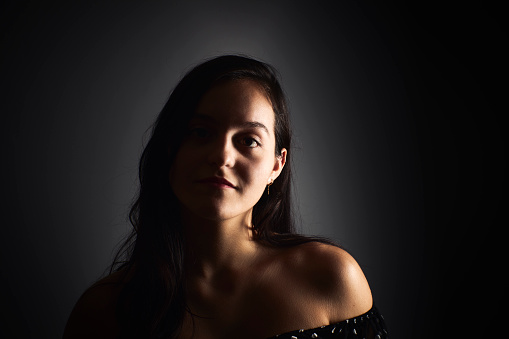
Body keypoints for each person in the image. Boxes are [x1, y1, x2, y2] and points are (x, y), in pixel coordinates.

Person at [63, 55, 388, 339]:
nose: (221, 157)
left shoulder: (332, 278)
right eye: (200, 132)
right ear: (169, 150)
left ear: (277, 165)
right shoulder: (103, 312)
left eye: (248, 140)